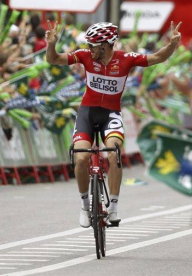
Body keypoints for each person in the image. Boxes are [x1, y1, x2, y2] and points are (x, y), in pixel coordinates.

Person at [46, 21, 182, 227]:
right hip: (87, 114)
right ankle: (85, 206)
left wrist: (172, 45)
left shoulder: (126, 59)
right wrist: (51, 44)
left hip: (111, 115)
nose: (89, 48)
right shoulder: (84, 56)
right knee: (81, 158)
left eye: (93, 45)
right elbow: (53, 59)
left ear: (106, 44)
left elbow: (158, 57)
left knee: (114, 152)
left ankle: (114, 208)